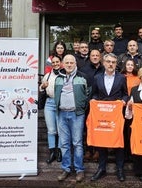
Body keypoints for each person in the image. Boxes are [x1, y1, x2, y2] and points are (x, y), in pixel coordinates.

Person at [90, 53, 128, 182]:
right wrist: (93, 101)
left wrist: (123, 101)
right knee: (102, 142)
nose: (111, 64)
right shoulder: (97, 78)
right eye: (108, 62)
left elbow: (125, 94)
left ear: (116, 64)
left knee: (118, 142)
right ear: (104, 63)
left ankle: (120, 169)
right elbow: (94, 94)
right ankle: (101, 168)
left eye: (113, 62)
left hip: (116, 116)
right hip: (102, 116)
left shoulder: (122, 78)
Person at [54, 54, 91, 182]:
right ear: (63, 64)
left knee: (77, 143)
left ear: (75, 64)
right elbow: (55, 94)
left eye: (71, 62)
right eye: (67, 62)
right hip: (62, 114)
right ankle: (66, 169)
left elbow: (88, 94)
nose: (69, 65)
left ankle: (79, 170)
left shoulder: (83, 77)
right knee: (64, 144)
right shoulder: (58, 78)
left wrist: (81, 108)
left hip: (77, 114)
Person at [80, 49, 104, 162]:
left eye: (97, 55)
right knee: (88, 128)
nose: (95, 57)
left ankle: (98, 151)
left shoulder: (104, 69)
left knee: (100, 128)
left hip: (101, 105)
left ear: (100, 57)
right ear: (89, 57)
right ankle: (89, 150)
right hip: (88, 104)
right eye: (93, 55)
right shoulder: (84, 69)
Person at [39, 55, 62, 164]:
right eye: (53, 62)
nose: (55, 64)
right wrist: (43, 86)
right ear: (51, 64)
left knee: (60, 129)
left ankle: (60, 151)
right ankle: (52, 152)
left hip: (61, 104)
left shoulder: (64, 75)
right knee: (51, 130)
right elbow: (41, 88)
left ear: (60, 62)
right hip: (49, 103)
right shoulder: (47, 75)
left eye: (57, 62)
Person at [120, 59, 140, 161]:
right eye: (128, 64)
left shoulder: (138, 78)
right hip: (122, 107)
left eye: (132, 64)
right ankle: (124, 152)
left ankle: (132, 151)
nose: (130, 66)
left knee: (132, 130)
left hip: (134, 107)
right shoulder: (120, 77)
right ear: (125, 66)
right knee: (123, 130)